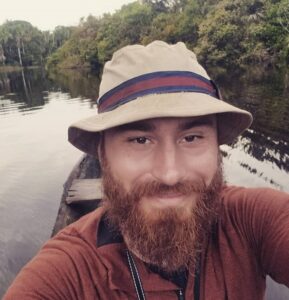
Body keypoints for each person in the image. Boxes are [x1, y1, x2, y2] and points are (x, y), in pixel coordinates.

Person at [4, 41, 289, 300]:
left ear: (217, 147)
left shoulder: (254, 221)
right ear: (103, 155)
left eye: (191, 138)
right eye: (140, 140)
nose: (170, 174)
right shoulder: (67, 273)